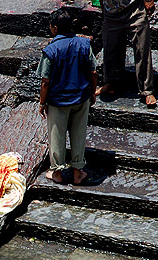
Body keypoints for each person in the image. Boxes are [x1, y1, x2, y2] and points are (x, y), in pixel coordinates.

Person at [37, 9, 98, 185]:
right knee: (79, 134)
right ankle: (78, 172)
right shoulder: (84, 45)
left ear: (54, 28)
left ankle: (57, 173)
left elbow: (45, 82)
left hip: (58, 101)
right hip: (81, 97)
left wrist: (42, 103)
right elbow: (93, 72)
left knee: (56, 136)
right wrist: (92, 93)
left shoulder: (51, 50)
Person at [95, 0, 157, 107]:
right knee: (110, 47)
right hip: (110, 12)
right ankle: (110, 82)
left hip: (133, 8)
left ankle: (147, 90)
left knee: (142, 49)